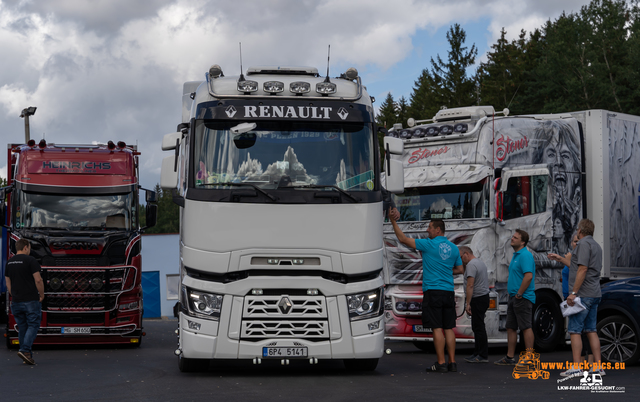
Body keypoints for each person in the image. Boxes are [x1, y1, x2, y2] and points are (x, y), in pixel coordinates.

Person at [389, 213, 463, 372]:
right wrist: (446, 270)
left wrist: (393, 222)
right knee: (449, 327)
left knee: (437, 328)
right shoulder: (454, 248)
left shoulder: (429, 244)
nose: (427, 230)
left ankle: (441, 363)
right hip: (448, 292)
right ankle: (452, 362)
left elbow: (402, 239)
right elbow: (460, 269)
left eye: (429, 227)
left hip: (433, 291)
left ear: (438, 230)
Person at [560, 219, 604, 378]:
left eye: (578, 229)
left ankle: (577, 367)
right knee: (591, 330)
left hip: (583, 294)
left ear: (581, 230)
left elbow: (582, 269)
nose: (577, 231)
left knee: (574, 330)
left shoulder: (583, 245)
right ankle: (597, 367)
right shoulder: (597, 246)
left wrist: (573, 292)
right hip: (594, 292)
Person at [494, 229, 536, 365]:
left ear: (523, 242)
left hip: (522, 297)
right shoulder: (516, 255)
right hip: (514, 297)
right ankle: (509, 357)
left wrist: (519, 293)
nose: (512, 239)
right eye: (512, 236)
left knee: (525, 327)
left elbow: (528, 276)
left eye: (515, 237)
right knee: (510, 327)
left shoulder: (525, 255)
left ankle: (529, 357)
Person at [5, 239, 44, 365]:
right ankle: (25, 349)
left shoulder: (9, 262)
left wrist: (13, 294)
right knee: (33, 325)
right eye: (30, 248)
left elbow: (8, 282)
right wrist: (42, 295)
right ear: (26, 247)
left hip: (16, 301)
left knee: (22, 328)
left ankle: (27, 355)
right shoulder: (30, 260)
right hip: (30, 300)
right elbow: (38, 280)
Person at [459, 246, 490, 363]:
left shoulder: (471, 265)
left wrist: (468, 303)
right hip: (483, 297)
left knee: (479, 327)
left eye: (461, 257)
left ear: (466, 254)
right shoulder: (479, 262)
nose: (461, 260)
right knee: (477, 326)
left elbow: (470, 285)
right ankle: (477, 353)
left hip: (478, 298)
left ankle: (482, 355)